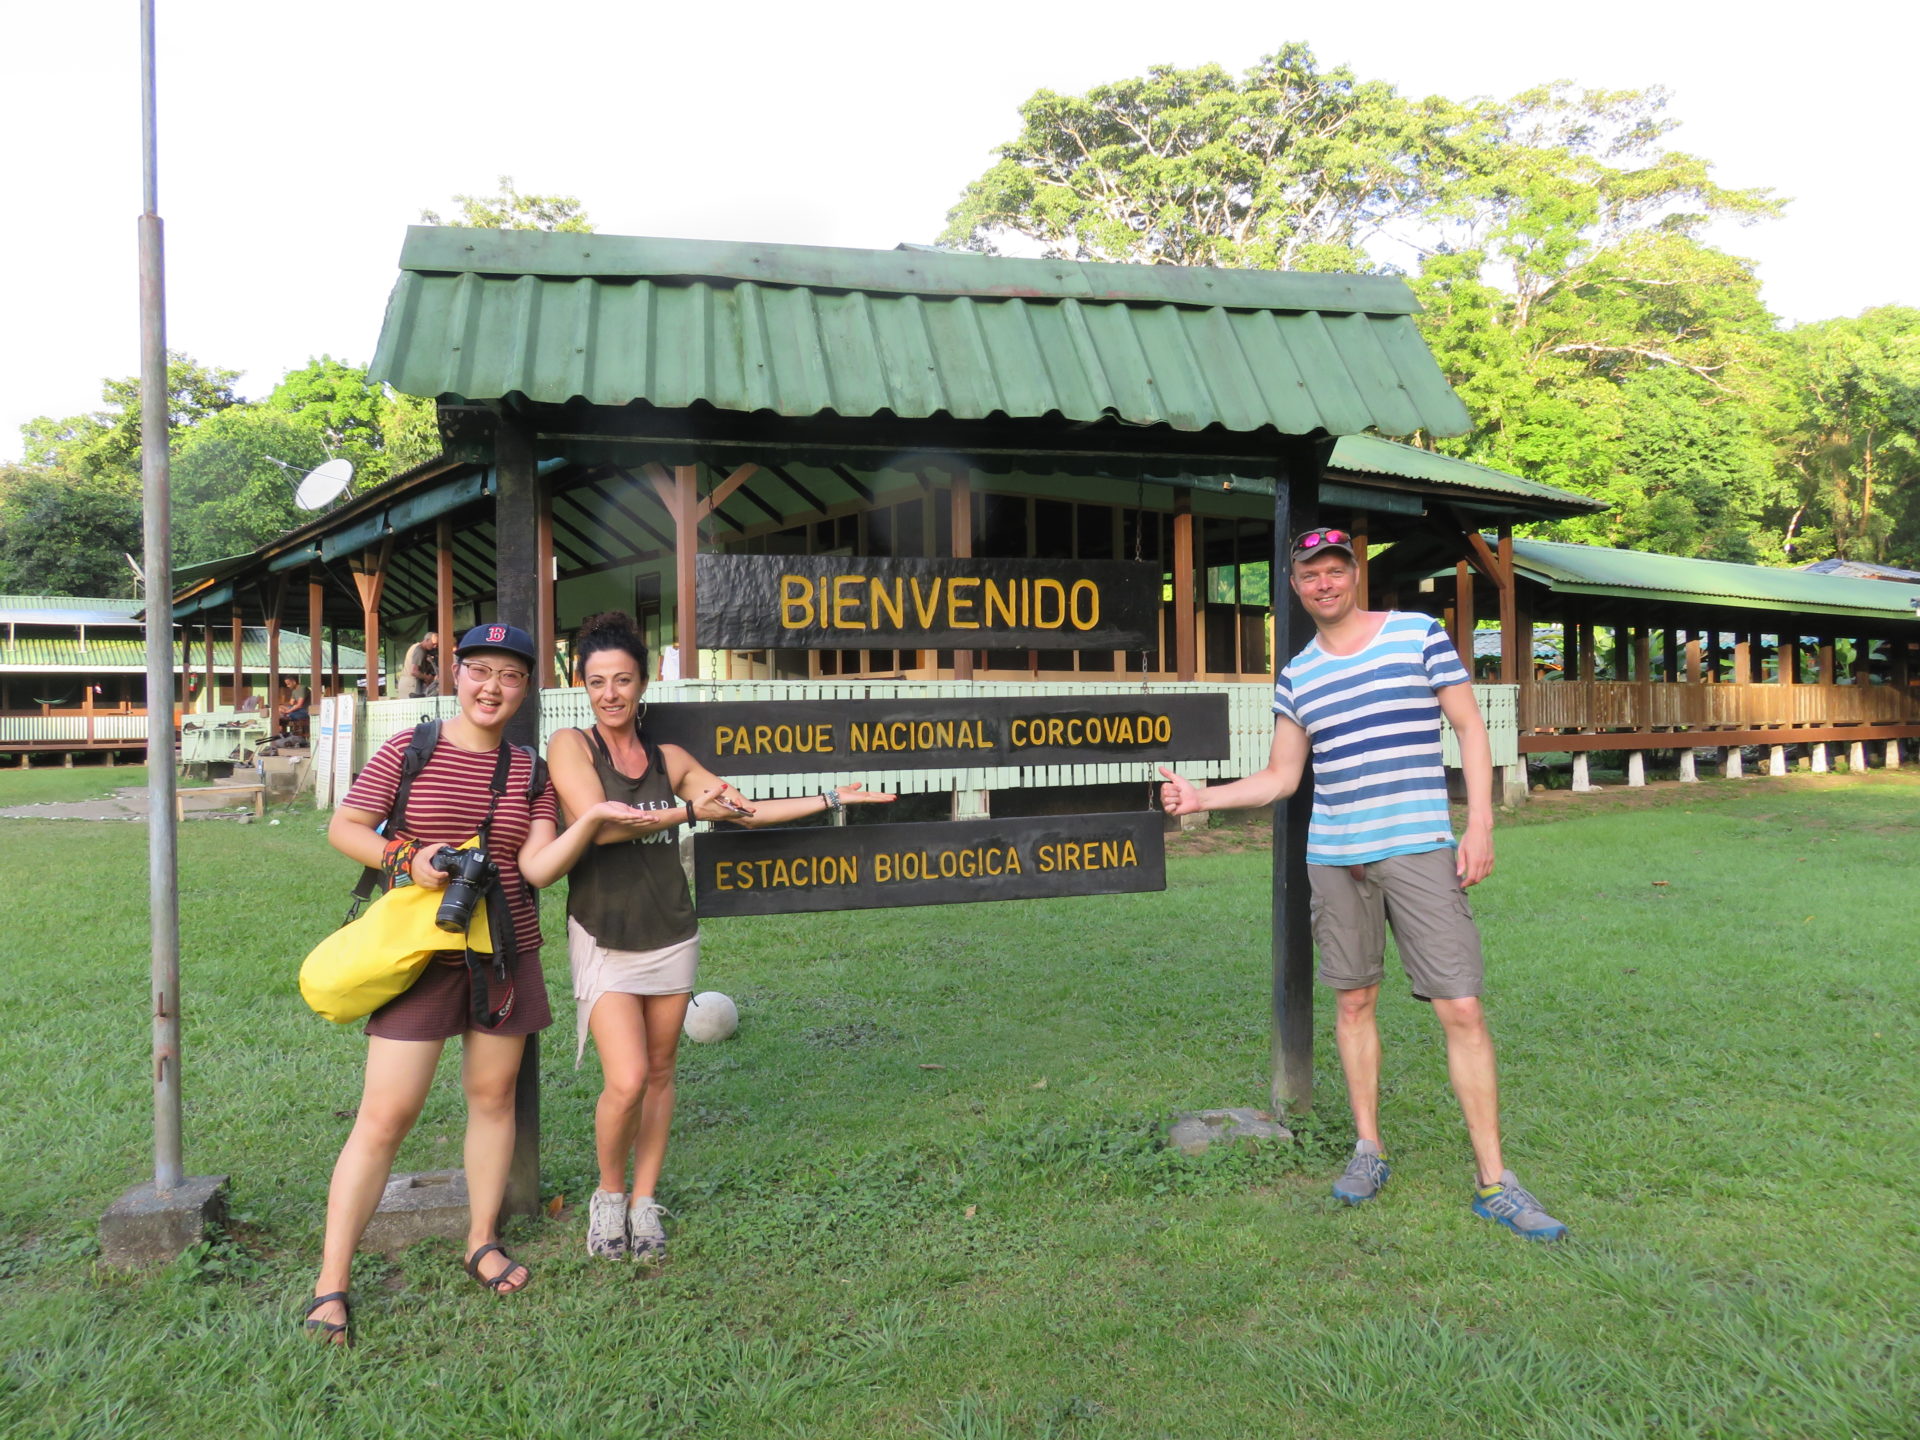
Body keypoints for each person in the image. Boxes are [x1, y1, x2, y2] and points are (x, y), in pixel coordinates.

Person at [1158, 527, 1567, 1242]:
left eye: (1335, 570)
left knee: (1462, 1007)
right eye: (1309, 574)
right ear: (1295, 587)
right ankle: (1367, 1149)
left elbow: (1469, 728)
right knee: (1354, 1001)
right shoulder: (1297, 675)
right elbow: (1284, 776)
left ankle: (1496, 1181)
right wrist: (1203, 799)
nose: (1324, 583)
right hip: (1335, 857)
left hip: (1418, 847)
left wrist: (1479, 825)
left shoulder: (1417, 635)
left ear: (1354, 577)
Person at [303, 623, 654, 1344]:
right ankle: (331, 1280)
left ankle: (482, 1240)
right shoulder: (412, 747)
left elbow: (532, 865)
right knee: (386, 1117)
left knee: (494, 1100)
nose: (492, 688)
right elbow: (347, 826)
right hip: (421, 957)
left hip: (507, 954)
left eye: (510, 676)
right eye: (480, 672)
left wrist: (595, 822)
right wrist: (410, 859)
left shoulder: (530, 771)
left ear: (526, 690)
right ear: (455, 676)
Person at [548, 611, 894, 1261]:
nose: (611, 694)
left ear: (643, 684)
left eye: (623, 679)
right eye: (598, 681)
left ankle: (645, 1202)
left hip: (671, 933)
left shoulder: (668, 758)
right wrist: (685, 810)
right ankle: (609, 1196)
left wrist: (829, 796)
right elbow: (599, 823)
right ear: (582, 685)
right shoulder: (571, 746)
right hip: (605, 933)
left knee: (659, 1073)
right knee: (623, 1080)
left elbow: (744, 810)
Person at [403, 630, 440, 699]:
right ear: (427, 640)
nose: (435, 646)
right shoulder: (420, 650)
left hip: (406, 683)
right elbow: (414, 672)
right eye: (433, 644)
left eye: (436, 645)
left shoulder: (415, 646)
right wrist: (428, 678)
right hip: (412, 685)